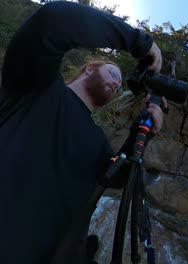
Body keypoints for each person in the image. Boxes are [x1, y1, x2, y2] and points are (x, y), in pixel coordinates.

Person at [0, 1, 166, 263]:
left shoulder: (97, 138)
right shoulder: (36, 86)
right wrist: (141, 43)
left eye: (120, 82)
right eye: (112, 72)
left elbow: (115, 177)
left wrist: (141, 133)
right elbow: (53, 19)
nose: (116, 82)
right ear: (88, 68)